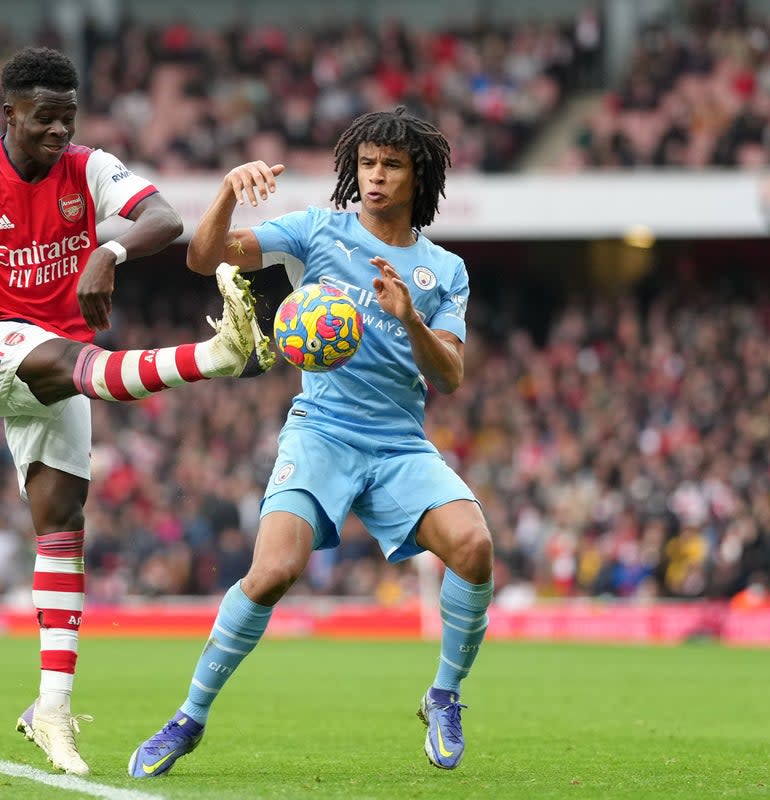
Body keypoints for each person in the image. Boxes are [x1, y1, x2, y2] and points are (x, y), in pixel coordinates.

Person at [0, 46, 270, 777]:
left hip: (59, 368)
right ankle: (218, 358)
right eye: (44, 118)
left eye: (68, 116)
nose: (59, 131)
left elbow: (164, 219)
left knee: (62, 527)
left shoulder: (90, 167)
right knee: (71, 361)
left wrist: (112, 253)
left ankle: (52, 709)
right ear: (10, 112)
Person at [128, 107, 494, 777]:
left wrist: (409, 319)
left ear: (419, 177)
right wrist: (225, 194)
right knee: (270, 574)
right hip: (322, 432)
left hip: (398, 444)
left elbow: (450, 375)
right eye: (368, 164)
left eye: (392, 165)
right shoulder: (316, 231)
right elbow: (203, 257)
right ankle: (189, 718)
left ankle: (445, 694)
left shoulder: (444, 270)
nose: (377, 176)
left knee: (473, 547)